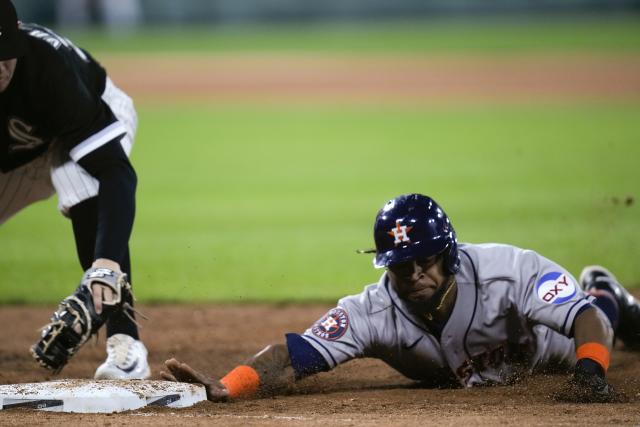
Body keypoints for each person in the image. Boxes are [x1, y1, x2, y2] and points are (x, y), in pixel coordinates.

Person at [161, 193, 640, 402]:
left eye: (424, 261)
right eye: (399, 264)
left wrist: (591, 371)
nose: (412, 274)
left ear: (447, 255)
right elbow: (294, 354)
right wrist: (232, 383)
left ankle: (607, 288)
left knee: (600, 311)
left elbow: (582, 318)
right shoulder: (373, 311)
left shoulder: (508, 271)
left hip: (551, 355)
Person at [0, 0, 149, 379]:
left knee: (82, 183)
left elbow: (115, 172)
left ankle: (126, 345)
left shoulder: (48, 67)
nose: (0, 68)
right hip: (16, 159)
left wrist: (106, 263)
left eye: (5, 54)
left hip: (85, 118)